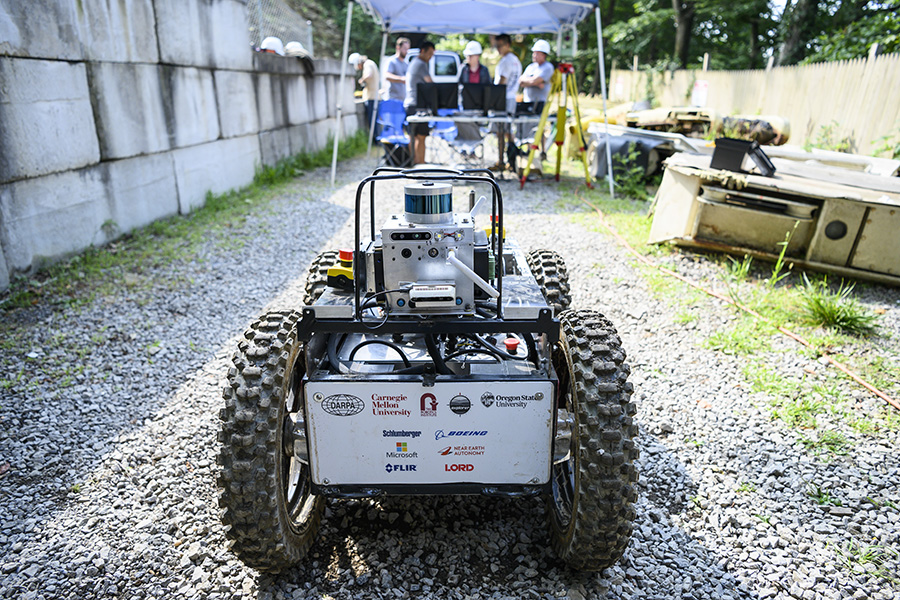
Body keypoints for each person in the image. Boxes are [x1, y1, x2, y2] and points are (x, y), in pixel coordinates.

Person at [518, 39, 555, 177]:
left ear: (544, 54)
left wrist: (533, 82)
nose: (534, 55)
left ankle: (542, 151)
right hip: (528, 101)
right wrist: (532, 82)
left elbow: (536, 81)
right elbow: (522, 81)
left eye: (537, 53)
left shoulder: (547, 67)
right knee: (528, 126)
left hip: (540, 102)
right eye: (533, 53)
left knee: (539, 127)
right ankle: (529, 150)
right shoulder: (531, 67)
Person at [490, 34, 522, 171]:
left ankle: (502, 160)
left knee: (501, 131)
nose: (498, 49)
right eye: (496, 46)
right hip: (511, 98)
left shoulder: (506, 61)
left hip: (502, 99)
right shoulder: (516, 60)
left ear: (508, 44)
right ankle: (511, 159)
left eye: (500, 45)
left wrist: (492, 98)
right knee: (507, 131)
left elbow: (501, 82)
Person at [404, 40, 435, 164]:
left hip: (410, 103)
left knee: (413, 136)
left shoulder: (413, 62)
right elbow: (430, 84)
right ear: (422, 51)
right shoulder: (421, 64)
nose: (431, 57)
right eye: (430, 54)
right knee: (421, 137)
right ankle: (420, 164)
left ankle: (415, 162)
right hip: (417, 105)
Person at [349, 52, 379, 139]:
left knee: (372, 122)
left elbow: (368, 75)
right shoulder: (370, 63)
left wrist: (361, 80)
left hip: (371, 97)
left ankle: (375, 141)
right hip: (374, 96)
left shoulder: (368, 64)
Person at [385, 37, 411, 101]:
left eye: (408, 49)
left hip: (403, 100)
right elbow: (387, 76)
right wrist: (401, 79)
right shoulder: (392, 61)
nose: (406, 51)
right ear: (398, 47)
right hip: (392, 99)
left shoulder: (406, 64)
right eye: (405, 49)